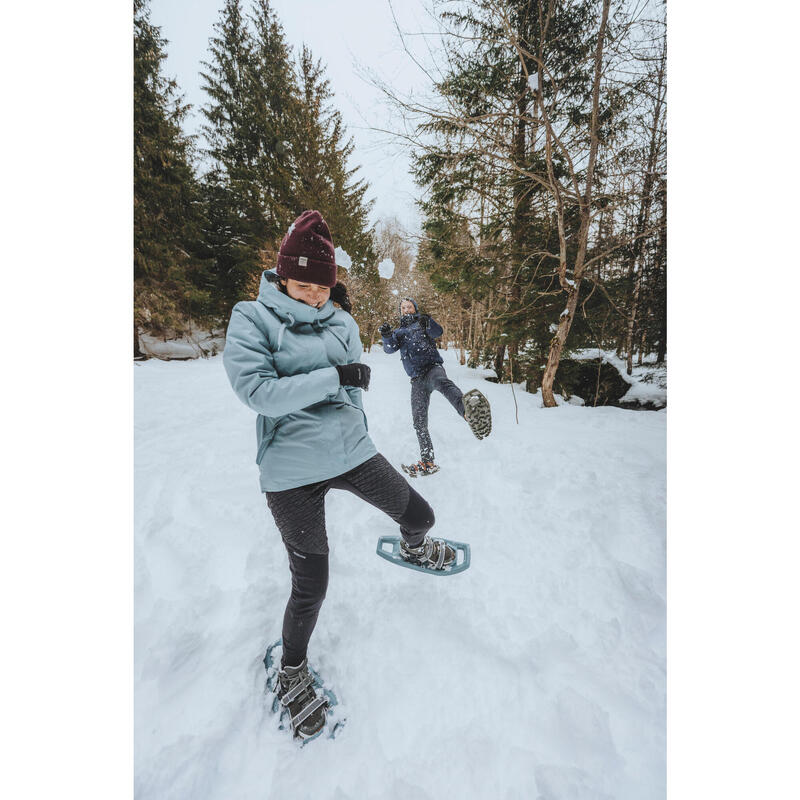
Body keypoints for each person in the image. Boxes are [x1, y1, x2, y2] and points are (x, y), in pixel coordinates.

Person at [222, 210, 456, 740]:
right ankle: (291, 669)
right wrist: (333, 376)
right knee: (312, 584)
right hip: (290, 469)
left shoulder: (343, 323)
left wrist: (355, 420)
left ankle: (415, 547)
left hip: (349, 451)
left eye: (322, 288)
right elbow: (257, 393)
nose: (313, 297)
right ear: (282, 276)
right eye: (302, 285)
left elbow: (352, 395)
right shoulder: (251, 318)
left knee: (421, 513)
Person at [379, 298, 491, 476]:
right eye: (403, 307)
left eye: (409, 307)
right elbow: (390, 348)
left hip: (432, 369)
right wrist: (386, 336)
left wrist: (428, 321)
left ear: (414, 309)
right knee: (419, 421)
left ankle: (468, 413)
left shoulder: (422, 323)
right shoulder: (399, 332)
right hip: (416, 379)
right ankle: (428, 462)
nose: (406, 309)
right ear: (400, 312)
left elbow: (438, 332)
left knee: (442, 383)